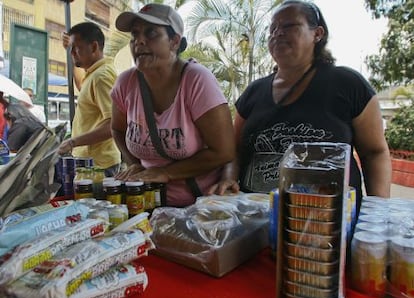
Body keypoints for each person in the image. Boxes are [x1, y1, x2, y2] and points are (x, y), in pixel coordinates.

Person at [209, 0, 391, 211]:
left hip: (328, 225)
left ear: (318, 33)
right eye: (273, 29)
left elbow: (374, 153)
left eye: (288, 26)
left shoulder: (348, 85)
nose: (277, 33)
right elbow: (234, 150)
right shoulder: (254, 92)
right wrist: (229, 177)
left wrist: (379, 211)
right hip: (255, 222)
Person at [111, 3, 235, 207]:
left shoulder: (197, 80)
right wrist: (135, 165)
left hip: (197, 207)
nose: (139, 41)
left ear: (174, 42)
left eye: (151, 33)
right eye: (134, 35)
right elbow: (117, 129)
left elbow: (224, 151)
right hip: (146, 203)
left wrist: (165, 173)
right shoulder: (125, 83)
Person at [57, 22, 121, 177]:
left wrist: (72, 142)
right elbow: (82, 87)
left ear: (93, 47)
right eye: (71, 49)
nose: (72, 53)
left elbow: (113, 124)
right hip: (91, 162)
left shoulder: (101, 77)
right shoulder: (94, 74)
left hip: (99, 165)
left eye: (76, 48)